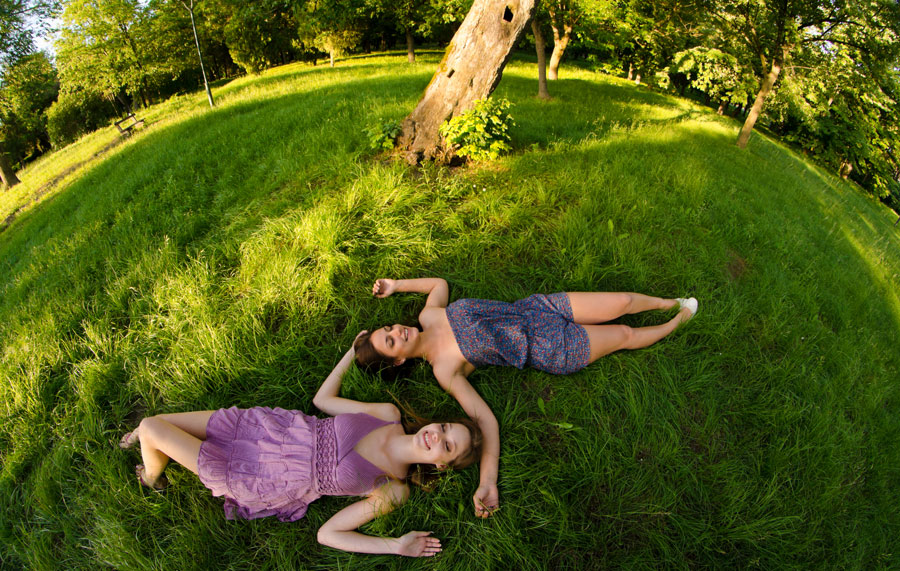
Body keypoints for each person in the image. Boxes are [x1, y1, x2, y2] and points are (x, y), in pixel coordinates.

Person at [354, 277, 698, 519]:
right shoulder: (445, 370)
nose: (396, 331)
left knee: (622, 301)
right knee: (623, 333)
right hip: (550, 349)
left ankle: (671, 302)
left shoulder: (430, 315)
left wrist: (397, 285)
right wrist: (487, 482)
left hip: (537, 309)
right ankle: (677, 322)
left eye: (388, 330)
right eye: (391, 342)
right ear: (398, 360)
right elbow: (485, 420)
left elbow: (438, 285)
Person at [118, 335, 483, 558]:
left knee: (152, 426)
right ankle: (145, 441)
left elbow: (328, 535)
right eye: (446, 427)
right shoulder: (387, 414)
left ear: (442, 466)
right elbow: (323, 399)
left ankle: (152, 478)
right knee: (161, 422)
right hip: (264, 430)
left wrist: (395, 545)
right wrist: (350, 351)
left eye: (447, 446)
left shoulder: (393, 489)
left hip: (259, 475)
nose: (438, 434)